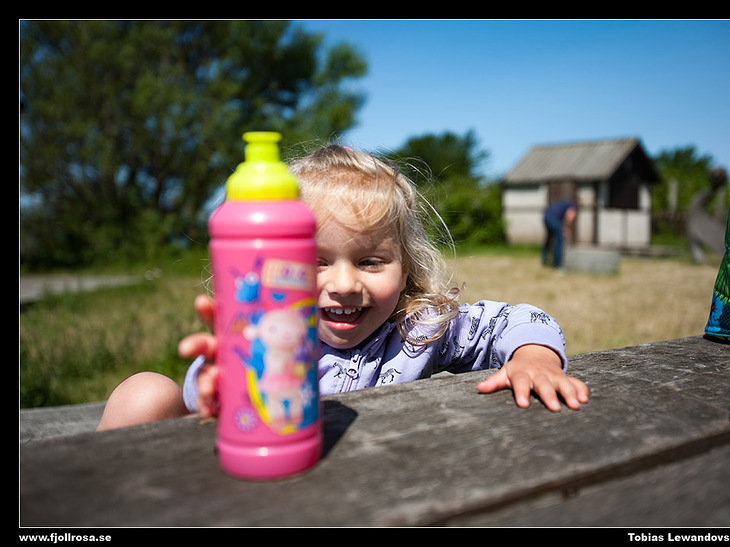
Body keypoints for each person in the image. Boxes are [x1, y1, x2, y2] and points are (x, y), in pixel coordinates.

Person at [96, 145, 588, 431]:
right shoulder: (269, 334)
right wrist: (225, 382)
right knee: (145, 392)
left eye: (371, 261)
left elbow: (519, 319)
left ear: (407, 266)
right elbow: (208, 392)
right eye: (314, 263)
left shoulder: (419, 329)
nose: (345, 284)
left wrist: (535, 358)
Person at [542, 199, 577, 269]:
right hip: (553, 218)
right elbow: (569, 217)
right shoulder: (573, 206)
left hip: (546, 216)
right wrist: (566, 229)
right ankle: (557, 265)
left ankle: (544, 259)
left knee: (549, 238)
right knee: (559, 240)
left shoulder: (564, 204)